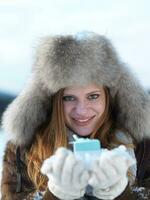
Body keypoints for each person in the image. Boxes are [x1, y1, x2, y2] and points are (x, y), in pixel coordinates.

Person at [1, 31, 150, 200]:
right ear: (55, 101)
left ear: (108, 97)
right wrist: (55, 195)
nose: (81, 110)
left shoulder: (142, 146)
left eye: (93, 96)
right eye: (69, 98)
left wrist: (122, 193)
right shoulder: (24, 149)